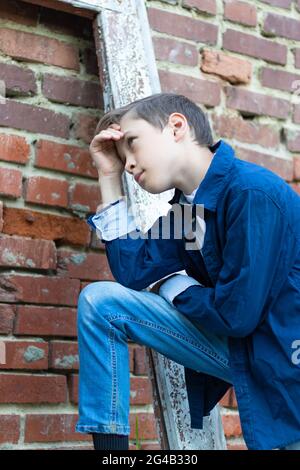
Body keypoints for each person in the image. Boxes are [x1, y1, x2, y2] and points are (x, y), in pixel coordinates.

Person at [75, 92, 300, 451]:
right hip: (245, 349)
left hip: (285, 359)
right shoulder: (188, 212)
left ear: (176, 127)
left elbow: (237, 315)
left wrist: (175, 286)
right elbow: (134, 270)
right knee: (101, 304)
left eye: (133, 144)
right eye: (122, 160)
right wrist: (109, 176)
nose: (129, 165)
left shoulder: (252, 193)